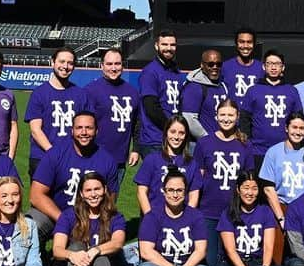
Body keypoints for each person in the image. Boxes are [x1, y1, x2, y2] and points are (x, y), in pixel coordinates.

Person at [28, 111, 119, 239]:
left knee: (82, 251)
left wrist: (90, 224)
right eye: (79, 128)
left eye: (89, 128)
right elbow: (36, 196)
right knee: (30, 226)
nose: (84, 132)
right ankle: (39, 258)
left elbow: (110, 201)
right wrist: (64, 221)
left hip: (88, 219)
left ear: (97, 131)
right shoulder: (56, 154)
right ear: (72, 131)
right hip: (54, 214)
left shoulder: (107, 161)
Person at [134, 168, 214, 266]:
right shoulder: (152, 216)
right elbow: (146, 252)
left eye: (179, 190)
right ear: (163, 191)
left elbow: (201, 250)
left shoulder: (195, 216)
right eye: (170, 190)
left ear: (185, 192)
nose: (175, 195)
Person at [193, 99, 254, 266]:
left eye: (230, 115)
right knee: (211, 262)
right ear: (216, 116)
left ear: (237, 117)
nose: (226, 119)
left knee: (235, 258)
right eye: (223, 115)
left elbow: (248, 179)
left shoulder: (245, 145)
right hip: (208, 209)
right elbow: (198, 178)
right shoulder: (204, 143)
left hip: (234, 210)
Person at [215, 171, 291, 266]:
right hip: (236, 264)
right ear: (238, 190)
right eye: (246, 188)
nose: (250, 193)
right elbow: (230, 251)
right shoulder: (228, 213)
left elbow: (268, 246)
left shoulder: (266, 211)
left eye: (254, 189)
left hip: (257, 263)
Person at [24, 47, 91, 177]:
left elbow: (87, 128)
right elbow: (35, 130)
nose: (65, 66)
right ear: (52, 62)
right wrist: (53, 153)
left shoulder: (81, 94)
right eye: (61, 61)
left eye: (70, 63)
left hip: (72, 159)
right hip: (42, 157)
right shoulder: (39, 93)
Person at [259, 113, 304, 260]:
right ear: (286, 128)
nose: (298, 132)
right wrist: (281, 218)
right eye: (294, 127)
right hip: (280, 206)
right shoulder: (274, 152)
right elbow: (268, 188)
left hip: (303, 208)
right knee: (276, 251)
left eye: (302, 128)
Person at [84, 47, 142, 185]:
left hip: (120, 159)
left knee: (110, 203)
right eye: (109, 64)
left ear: (122, 65)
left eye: (117, 64)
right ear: (102, 65)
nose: (114, 68)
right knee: (89, 200)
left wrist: (135, 150)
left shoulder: (133, 92)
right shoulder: (90, 90)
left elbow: (137, 123)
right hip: (94, 157)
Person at [240, 50, 302, 168]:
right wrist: (247, 144)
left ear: (282, 67)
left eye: (277, 64)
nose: (273, 67)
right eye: (270, 63)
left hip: (285, 151)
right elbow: (244, 119)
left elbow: (298, 119)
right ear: (264, 66)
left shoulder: (291, 91)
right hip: (258, 151)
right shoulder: (253, 90)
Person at [134, 115, 201, 214]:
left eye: (181, 133)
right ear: (166, 133)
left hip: (180, 221)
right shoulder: (152, 159)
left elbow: (194, 194)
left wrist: (187, 218)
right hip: (154, 217)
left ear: (186, 136)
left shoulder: (192, 163)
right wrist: (149, 217)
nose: (177, 137)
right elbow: (141, 191)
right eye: (173, 132)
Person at [137, 29, 184, 157]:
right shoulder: (150, 72)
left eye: (172, 45)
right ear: (157, 46)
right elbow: (151, 107)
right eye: (164, 44)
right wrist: (171, 128)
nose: (169, 48)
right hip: (154, 139)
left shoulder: (176, 72)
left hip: (173, 138)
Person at [180, 48, 229, 140]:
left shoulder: (223, 86)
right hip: (198, 144)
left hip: (220, 142)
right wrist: (206, 139)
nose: (215, 67)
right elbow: (189, 119)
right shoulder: (194, 87)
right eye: (210, 64)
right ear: (202, 65)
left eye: (218, 64)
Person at [222, 27, 262, 103]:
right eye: (242, 42)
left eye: (249, 42)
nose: (245, 46)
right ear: (236, 43)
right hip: (232, 113)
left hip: (253, 114)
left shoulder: (262, 68)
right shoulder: (226, 66)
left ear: (254, 44)